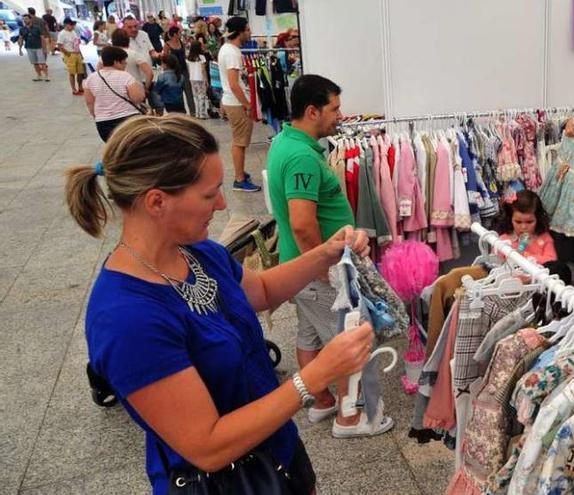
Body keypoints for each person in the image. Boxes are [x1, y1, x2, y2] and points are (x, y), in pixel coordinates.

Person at [65, 115, 375, 495]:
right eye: (210, 195)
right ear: (157, 201)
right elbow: (207, 446)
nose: (224, 202)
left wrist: (326, 254)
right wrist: (316, 375)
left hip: (277, 452)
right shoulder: (127, 318)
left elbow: (259, 290)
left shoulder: (199, 253)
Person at [267, 74, 394, 438]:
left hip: (300, 270)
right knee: (347, 342)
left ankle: (321, 401)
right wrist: (325, 269)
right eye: (334, 108)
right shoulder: (301, 157)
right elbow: (303, 223)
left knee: (310, 335)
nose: (340, 115)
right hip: (318, 271)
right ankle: (350, 416)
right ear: (312, 111)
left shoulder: (287, 143)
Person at [218, 16, 261, 192]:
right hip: (237, 103)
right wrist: (247, 104)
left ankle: (240, 172)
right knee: (240, 142)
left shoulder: (227, 49)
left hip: (232, 101)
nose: (250, 33)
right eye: (248, 29)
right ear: (241, 32)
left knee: (240, 141)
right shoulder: (233, 53)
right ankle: (239, 179)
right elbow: (234, 84)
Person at [83, 46, 144, 141]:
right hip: (127, 119)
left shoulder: (91, 78)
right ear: (116, 62)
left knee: (114, 149)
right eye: (124, 62)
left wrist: (97, 115)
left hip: (103, 123)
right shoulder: (125, 76)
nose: (126, 64)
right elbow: (137, 98)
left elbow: (90, 103)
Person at [496, 190, 558, 266]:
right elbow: (496, 262)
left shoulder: (544, 238)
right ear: (510, 219)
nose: (523, 227)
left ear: (538, 219)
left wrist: (529, 257)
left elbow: (552, 260)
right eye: (518, 222)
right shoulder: (505, 240)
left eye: (529, 222)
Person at [162, 26, 195, 115]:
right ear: (175, 34)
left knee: (189, 92)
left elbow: (185, 55)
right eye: (179, 33)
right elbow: (164, 58)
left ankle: (193, 112)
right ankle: (181, 112)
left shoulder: (182, 43)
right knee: (177, 93)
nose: (181, 34)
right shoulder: (167, 44)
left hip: (184, 70)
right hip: (174, 72)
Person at [111, 29, 153, 96]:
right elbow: (149, 73)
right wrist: (146, 88)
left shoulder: (106, 56)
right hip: (136, 89)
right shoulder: (134, 54)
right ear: (127, 39)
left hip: (116, 91)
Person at [58, 18, 86, 95]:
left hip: (77, 53)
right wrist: (68, 54)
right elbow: (60, 45)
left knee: (80, 72)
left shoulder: (73, 32)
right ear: (66, 25)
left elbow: (76, 43)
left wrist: (80, 54)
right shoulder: (62, 34)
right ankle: (74, 89)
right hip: (70, 54)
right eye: (71, 25)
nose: (73, 26)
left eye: (73, 25)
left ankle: (80, 87)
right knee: (72, 73)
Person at [18, 14, 50, 82]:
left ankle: (47, 76)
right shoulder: (22, 29)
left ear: (30, 19)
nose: (25, 20)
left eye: (26, 18)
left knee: (42, 62)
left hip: (39, 47)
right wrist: (20, 49)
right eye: (23, 19)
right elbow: (21, 39)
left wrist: (44, 48)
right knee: (35, 63)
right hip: (29, 48)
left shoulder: (37, 28)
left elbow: (42, 38)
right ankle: (39, 76)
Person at [186, 40, 210, 119]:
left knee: (195, 96)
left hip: (192, 78)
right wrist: (206, 79)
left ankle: (197, 113)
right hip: (200, 78)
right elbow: (203, 70)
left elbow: (189, 69)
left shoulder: (188, 58)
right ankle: (202, 114)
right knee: (202, 96)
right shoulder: (201, 57)